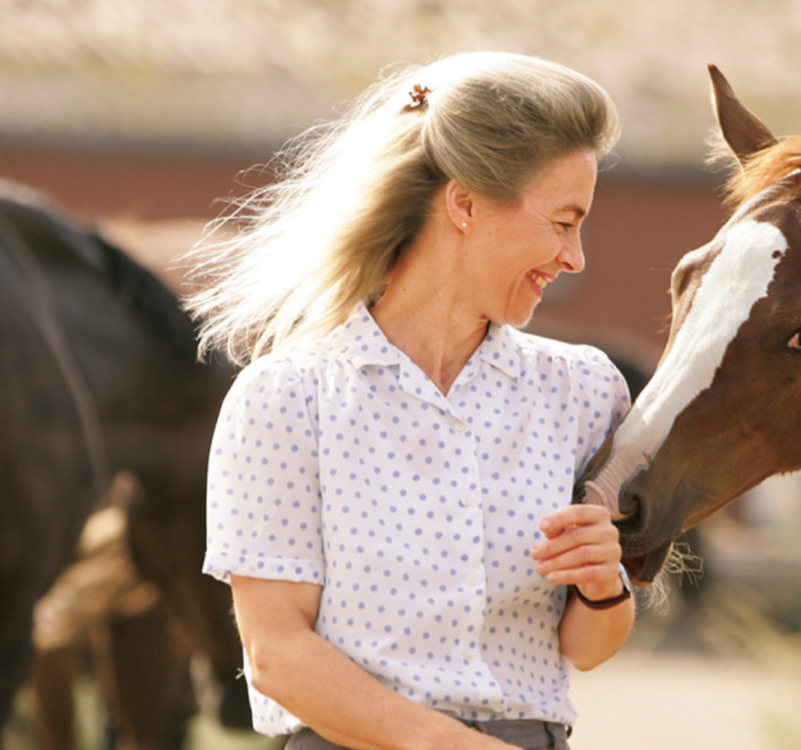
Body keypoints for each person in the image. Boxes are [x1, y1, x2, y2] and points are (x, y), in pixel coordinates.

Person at [186, 50, 634, 750]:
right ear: (464, 204)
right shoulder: (287, 399)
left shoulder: (583, 391)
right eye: (562, 221)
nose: (576, 257)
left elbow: (587, 646)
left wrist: (604, 583)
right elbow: (276, 653)